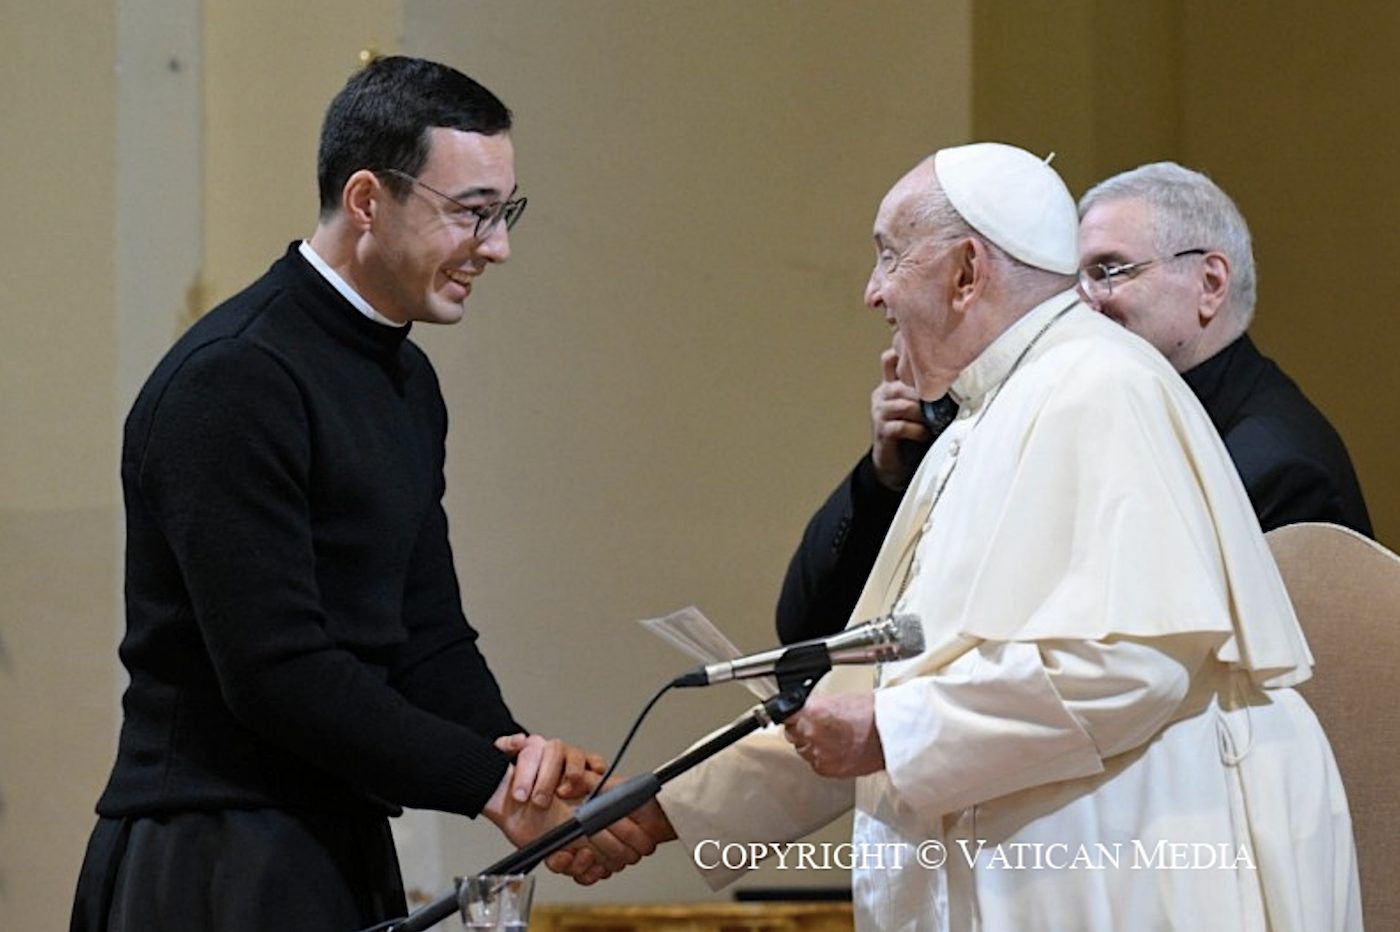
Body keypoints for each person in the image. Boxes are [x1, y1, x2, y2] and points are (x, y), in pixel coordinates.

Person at [639, 143, 1360, 930]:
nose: (873, 291)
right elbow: (872, 685)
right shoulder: (976, 422)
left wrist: (892, 731)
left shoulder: (1100, 386)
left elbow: (1133, 664)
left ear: (966, 272)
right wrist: (659, 812)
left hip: (1133, 863)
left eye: (889, 256)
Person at [70, 56, 649, 932]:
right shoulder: (235, 377)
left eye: (505, 212)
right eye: (472, 212)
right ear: (369, 199)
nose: (496, 247)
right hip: (210, 853)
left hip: (335, 841)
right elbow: (275, 672)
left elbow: (426, 636)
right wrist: (492, 787)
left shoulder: (407, 381)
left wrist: (521, 763)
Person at [777, 161, 1372, 645]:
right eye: (1075, 278)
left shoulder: (1276, 465)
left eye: (1109, 271)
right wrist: (884, 480)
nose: (1083, 301)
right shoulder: (1060, 407)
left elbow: (1149, 665)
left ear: (1210, 284)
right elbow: (809, 624)